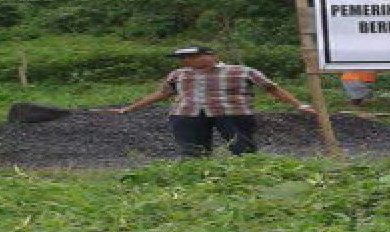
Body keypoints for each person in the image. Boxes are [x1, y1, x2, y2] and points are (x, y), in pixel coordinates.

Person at [114, 45, 315, 157]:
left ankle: (249, 179)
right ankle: (198, 181)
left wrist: (299, 105)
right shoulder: (178, 74)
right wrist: (129, 108)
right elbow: (162, 94)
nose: (186, 61)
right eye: (182, 58)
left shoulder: (240, 71)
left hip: (232, 113)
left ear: (210, 56)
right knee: (192, 151)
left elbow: (272, 88)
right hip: (187, 114)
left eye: (191, 57)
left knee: (243, 149)